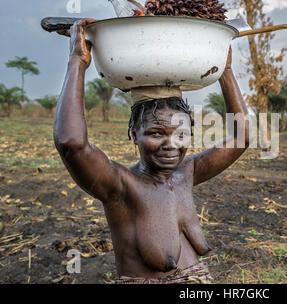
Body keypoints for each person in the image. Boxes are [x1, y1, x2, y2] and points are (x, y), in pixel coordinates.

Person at [54, 19, 250, 284]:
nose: (171, 144)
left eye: (181, 134)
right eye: (156, 133)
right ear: (134, 135)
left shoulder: (187, 173)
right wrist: (77, 62)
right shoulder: (120, 186)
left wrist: (224, 70)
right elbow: (71, 143)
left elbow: (243, 137)